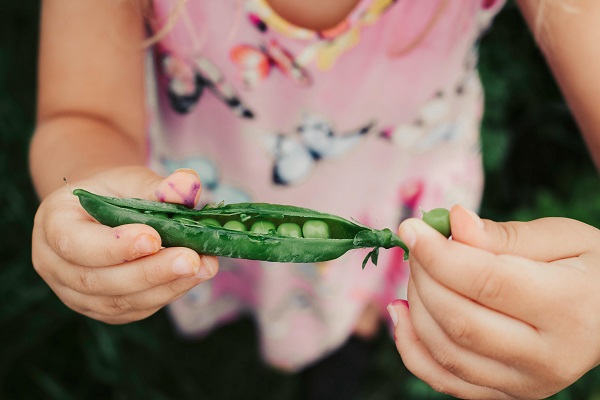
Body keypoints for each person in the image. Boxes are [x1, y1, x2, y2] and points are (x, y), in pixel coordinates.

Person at [29, 0, 600, 398]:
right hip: (208, 187)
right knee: (230, 273)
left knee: (377, 288)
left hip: (393, 181)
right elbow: (82, 115)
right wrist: (88, 183)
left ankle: (351, 338)